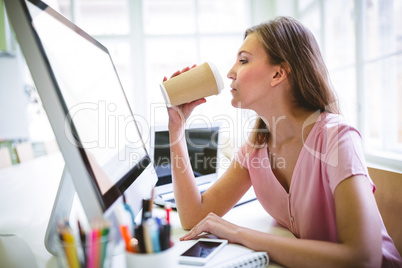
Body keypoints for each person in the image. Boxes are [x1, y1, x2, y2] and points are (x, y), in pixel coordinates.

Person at [163, 16, 402, 267]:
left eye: (243, 60)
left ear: (278, 73)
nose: (230, 73)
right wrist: (176, 126)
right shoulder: (255, 148)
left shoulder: (336, 138)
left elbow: (363, 260)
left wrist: (239, 233)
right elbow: (194, 216)